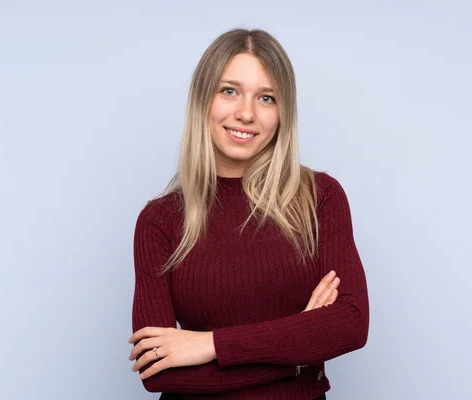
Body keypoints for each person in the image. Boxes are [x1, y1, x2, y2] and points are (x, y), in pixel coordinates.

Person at [127, 28, 369, 399]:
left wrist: (210, 345)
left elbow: (351, 324)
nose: (246, 113)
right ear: (202, 100)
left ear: (282, 112)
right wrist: (298, 353)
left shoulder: (319, 198)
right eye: (229, 91)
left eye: (267, 98)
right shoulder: (160, 220)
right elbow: (157, 374)